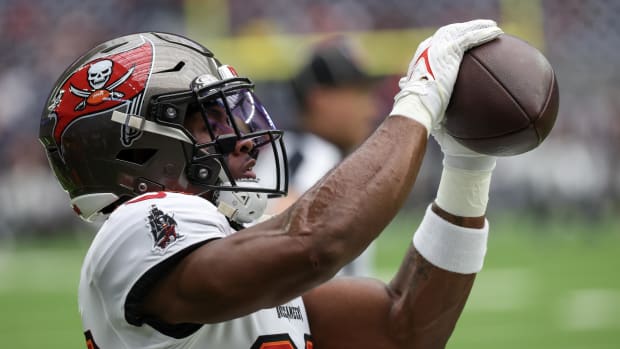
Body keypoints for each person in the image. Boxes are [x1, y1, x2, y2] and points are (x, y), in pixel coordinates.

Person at [39, 20, 503, 349]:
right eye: (210, 121)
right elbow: (313, 244)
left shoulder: (225, 246)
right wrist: (418, 101)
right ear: (137, 148)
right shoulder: (135, 226)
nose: (238, 140)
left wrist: (468, 168)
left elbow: (404, 327)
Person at [271, 38, 380, 276]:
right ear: (320, 99)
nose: (372, 109)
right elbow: (280, 233)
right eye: (360, 93)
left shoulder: (293, 152)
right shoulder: (312, 157)